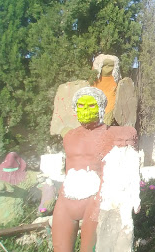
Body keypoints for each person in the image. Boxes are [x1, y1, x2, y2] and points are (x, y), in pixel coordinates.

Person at [52, 87, 138, 252]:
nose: (85, 110)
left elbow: (128, 156)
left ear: (101, 108)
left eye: (91, 106)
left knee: (89, 249)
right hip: (66, 199)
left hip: (94, 200)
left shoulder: (111, 134)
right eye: (81, 106)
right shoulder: (69, 137)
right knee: (60, 248)